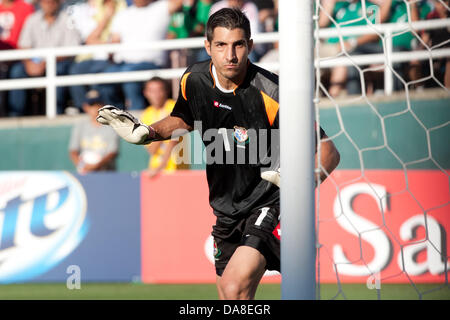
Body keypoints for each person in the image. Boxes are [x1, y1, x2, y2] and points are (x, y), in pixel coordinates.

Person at [97, 8, 340, 300]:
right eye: (222, 45)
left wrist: (299, 188)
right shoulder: (194, 80)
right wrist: (147, 133)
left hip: (269, 202)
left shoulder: (273, 92)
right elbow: (184, 119)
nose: (231, 55)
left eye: (238, 44)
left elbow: (328, 152)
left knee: (233, 288)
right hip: (225, 209)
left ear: (250, 45)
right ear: (208, 46)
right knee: (231, 298)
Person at [96, 0, 183, 110]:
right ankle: (116, 115)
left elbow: (180, 2)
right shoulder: (122, 14)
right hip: (123, 64)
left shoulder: (162, 7)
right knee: (104, 81)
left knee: (130, 79)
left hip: (150, 63)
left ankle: (135, 118)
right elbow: (114, 42)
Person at [7, 0, 81, 116]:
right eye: (46, 1)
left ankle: (57, 111)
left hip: (58, 62)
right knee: (17, 71)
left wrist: (47, 62)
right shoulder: (32, 19)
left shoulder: (67, 19)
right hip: (34, 61)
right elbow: (24, 45)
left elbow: (72, 48)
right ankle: (16, 114)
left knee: (58, 71)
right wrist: (28, 63)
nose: (49, 4)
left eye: (52, 1)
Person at [67, 0, 127, 112]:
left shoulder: (123, 8)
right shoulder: (94, 9)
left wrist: (108, 46)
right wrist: (106, 17)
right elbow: (90, 39)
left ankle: (110, 111)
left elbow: (115, 42)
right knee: (76, 70)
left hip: (116, 59)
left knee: (102, 79)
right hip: (97, 57)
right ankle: (84, 109)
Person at [140, 76, 188, 177]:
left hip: (176, 168)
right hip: (155, 169)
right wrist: (162, 129)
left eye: (159, 90)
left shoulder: (174, 107)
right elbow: (151, 150)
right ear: (146, 93)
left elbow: (174, 141)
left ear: (166, 91)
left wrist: (161, 166)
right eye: (152, 91)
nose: (156, 95)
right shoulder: (146, 114)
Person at [69, 89, 119, 174]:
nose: (95, 108)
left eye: (98, 104)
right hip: (85, 171)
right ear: (85, 107)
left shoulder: (111, 127)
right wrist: (81, 164)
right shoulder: (80, 126)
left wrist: (97, 165)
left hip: (106, 172)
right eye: (92, 105)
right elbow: (73, 151)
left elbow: (113, 152)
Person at [0, 0, 34, 116]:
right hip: (2, 59)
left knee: (17, 72)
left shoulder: (25, 8)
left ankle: (15, 114)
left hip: (20, 58)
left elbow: (28, 38)